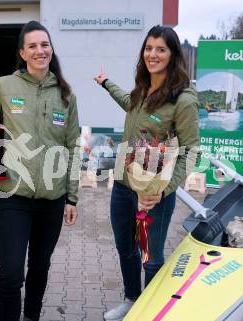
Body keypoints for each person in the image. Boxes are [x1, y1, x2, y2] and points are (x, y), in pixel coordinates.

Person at [0, 21, 80, 321]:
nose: (40, 50)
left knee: (39, 267)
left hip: (52, 199)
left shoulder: (66, 95)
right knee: (11, 273)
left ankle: (32, 317)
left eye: (45, 45)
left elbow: (73, 147)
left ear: (51, 49)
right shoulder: (4, 86)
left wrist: (72, 198)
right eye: (33, 46)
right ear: (22, 53)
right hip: (14, 195)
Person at [93, 25, 200, 321]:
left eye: (161, 49)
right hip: (123, 185)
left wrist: (162, 191)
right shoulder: (142, 88)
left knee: (150, 256)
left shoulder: (183, 100)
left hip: (155, 194)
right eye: (149, 48)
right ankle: (132, 300)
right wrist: (105, 83)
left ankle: (151, 312)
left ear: (173, 54)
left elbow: (192, 151)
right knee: (125, 247)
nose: (153, 54)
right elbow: (128, 103)